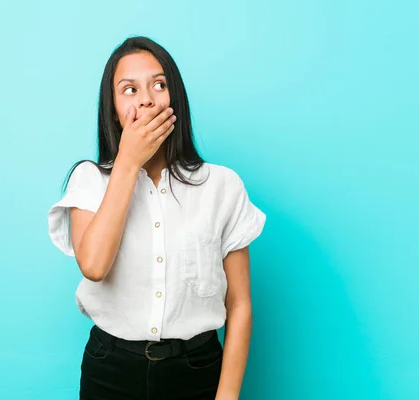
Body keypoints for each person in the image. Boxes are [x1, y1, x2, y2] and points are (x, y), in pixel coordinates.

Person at [47, 36, 266, 400]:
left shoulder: (222, 186)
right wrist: (128, 162)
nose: (146, 99)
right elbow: (95, 266)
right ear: (113, 108)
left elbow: (240, 304)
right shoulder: (89, 180)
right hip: (111, 370)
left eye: (158, 85)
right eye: (129, 89)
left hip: (197, 371)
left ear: (174, 99)